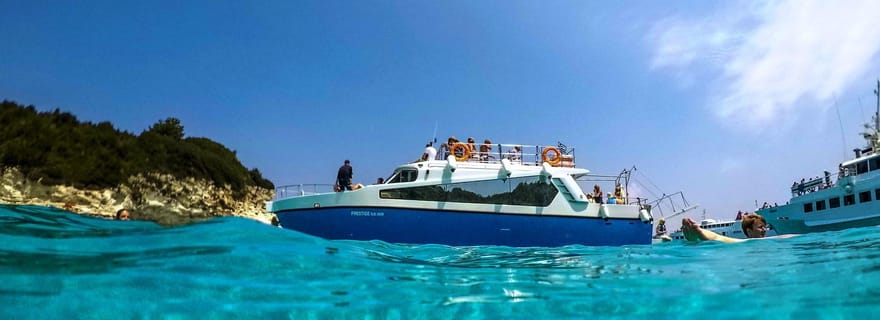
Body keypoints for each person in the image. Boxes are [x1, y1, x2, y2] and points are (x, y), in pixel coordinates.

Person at [681, 214, 775, 243]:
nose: (764, 229)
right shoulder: (745, 243)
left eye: (765, 227)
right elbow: (719, 238)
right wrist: (699, 231)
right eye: (760, 227)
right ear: (749, 231)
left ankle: (694, 241)